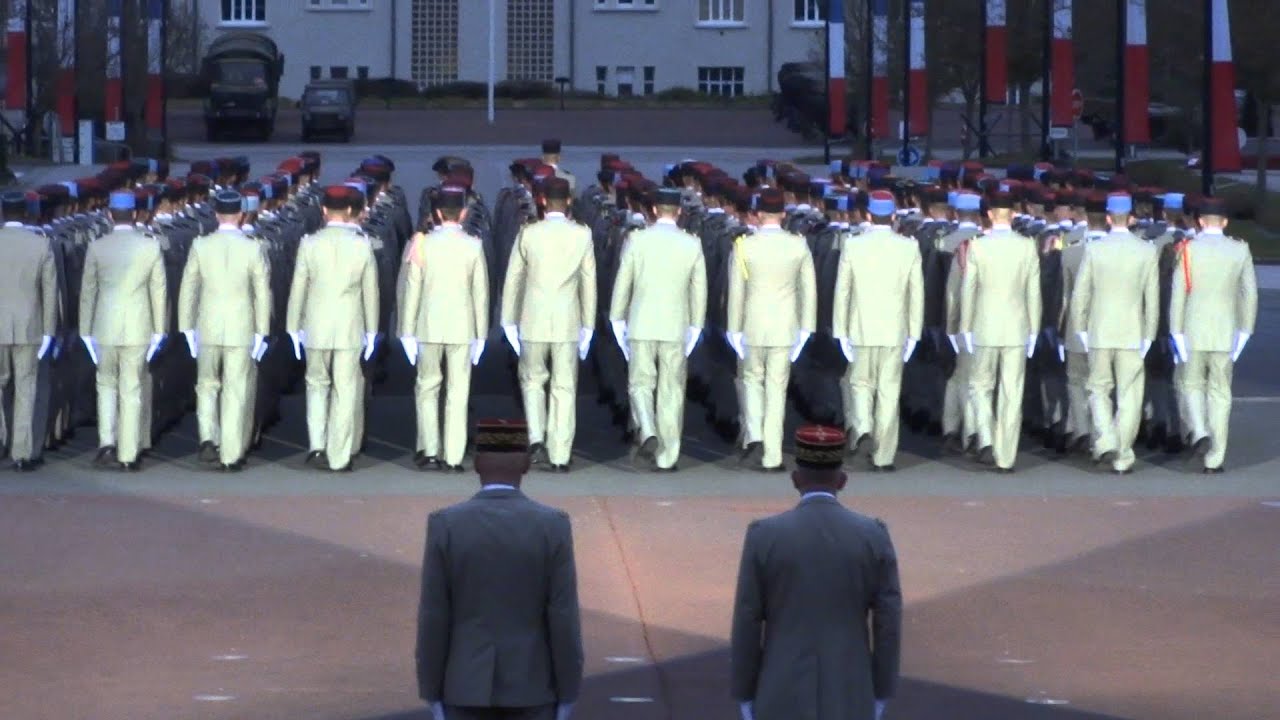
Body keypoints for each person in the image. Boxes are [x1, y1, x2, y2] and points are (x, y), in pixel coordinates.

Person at [730, 425, 902, 720]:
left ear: (796, 479)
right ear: (843, 480)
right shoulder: (873, 535)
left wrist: (745, 692)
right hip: (851, 691)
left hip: (780, 691)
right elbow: (888, 624)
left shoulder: (763, 536)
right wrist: (881, 691)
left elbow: (747, 621)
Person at [416, 419, 583, 720]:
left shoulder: (446, 525)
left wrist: (431, 690)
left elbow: (434, 615)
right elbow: (563, 617)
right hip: (533, 688)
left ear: (477, 464)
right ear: (525, 465)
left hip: (464, 687)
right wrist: (568, 691)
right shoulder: (552, 526)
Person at [501, 177, 596, 472]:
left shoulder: (528, 233)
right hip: (568, 319)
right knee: (565, 386)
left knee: (532, 381)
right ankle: (560, 455)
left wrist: (508, 320)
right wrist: (589, 325)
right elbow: (589, 282)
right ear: (568, 201)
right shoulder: (582, 235)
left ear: (542, 201)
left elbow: (513, 278)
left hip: (533, 317)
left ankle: (536, 438)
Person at [609, 187, 708, 471]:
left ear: (654, 210)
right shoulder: (692, 244)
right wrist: (696, 325)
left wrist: (617, 317)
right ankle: (667, 457)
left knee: (640, 383)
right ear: (678, 212)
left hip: (641, 322)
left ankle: (648, 429)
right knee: (672, 390)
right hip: (675, 325)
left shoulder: (636, 240)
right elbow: (698, 290)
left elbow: (623, 281)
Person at [285, 185, 380, 472]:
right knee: (345, 389)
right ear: (351, 211)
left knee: (316, 385)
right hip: (350, 325)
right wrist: (373, 330)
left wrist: (292, 326)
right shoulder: (362, 244)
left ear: (324, 211)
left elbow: (298, 288)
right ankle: (339, 456)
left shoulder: (309, 243)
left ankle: (317, 446)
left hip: (315, 324)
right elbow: (370, 291)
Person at [177, 190, 271, 472]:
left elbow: (189, 288)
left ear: (217, 215)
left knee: (206, 384)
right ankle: (230, 455)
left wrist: (185, 327)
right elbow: (262, 294)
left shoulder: (200, 246)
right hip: (242, 326)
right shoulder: (253, 247)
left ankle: (208, 437)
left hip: (207, 324)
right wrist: (262, 331)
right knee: (236, 388)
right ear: (241, 215)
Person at [832, 190, 924, 471]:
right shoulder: (909, 247)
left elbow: (842, 291)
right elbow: (916, 293)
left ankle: (862, 428)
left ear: (868, 216)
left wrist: (840, 330)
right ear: (894, 217)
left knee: (860, 384)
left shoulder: (853, 245)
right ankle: (884, 456)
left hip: (860, 327)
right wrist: (914, 333)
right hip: (896, 330)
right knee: (889, 392)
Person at [399, 186, 489, 472]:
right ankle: (453, 455)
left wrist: (406, 330)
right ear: (462, 214)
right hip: (462, 327)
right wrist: (482, 333)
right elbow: (481, 293)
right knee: (458, 391)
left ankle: (429, 450)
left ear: (437, 213)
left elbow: (412, 290)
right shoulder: (474, 245)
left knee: (427, 387)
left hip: (428, 325)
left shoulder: (421, 243)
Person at [726, 188, 817, 471]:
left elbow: (736, 292)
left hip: (752, 324)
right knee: (777, 388)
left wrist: (733, 328)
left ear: (757, 214)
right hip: (785, 326)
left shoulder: (743, 245)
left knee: (752, 381)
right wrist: (806, 329)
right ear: (784, 215)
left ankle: (754, 435)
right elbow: (808, 291)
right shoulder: (798, 245)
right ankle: (773, 456)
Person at [1068, 192, 1159, 474]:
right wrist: (1150, 334)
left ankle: (1106, 439)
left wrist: (1080, 328)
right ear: (1132, 219)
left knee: (1097, 389)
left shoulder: (1095, 249)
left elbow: (1080, 295)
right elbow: (1152, 298)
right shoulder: (1147, 250)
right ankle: (1122, 454)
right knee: (1130, 395)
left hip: (1099, 330)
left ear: (1108, 218)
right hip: (1133, 331)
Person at [78, 190, 167, 471]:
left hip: (104, 325)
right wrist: (159, 329)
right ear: (137, 214)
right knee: (132, 387)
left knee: (105, 384)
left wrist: (84, 329)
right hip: (139, 326)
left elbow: (87, 291)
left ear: (108, 215)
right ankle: (129, 454)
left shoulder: (97, 246)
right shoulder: (149, 246)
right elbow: (159, 291)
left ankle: (107, 443)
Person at [1169, 197, 1258, 473]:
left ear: (1199, 221)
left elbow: (1178, 293)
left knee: (1190, 383)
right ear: (1225, 222)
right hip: (1225, 330)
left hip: (1193, 328)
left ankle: (1198, 430)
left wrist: (1175, 331)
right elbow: (1249, 293)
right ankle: (1215, 457)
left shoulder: (1188, 249)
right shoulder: (1239, 250)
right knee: (1220, 393)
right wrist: (1245, 330)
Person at [958, 191, 1042, 473]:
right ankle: (1006, 456)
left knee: (980, 387)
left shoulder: (978, 247)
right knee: (1012, 392)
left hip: (985, 326)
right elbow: (1033, 292)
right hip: (1017, 328)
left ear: (990, 215)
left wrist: (966, 326)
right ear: (1013, 214)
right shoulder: (1027, 246)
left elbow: (968, 290)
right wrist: (1034, 328)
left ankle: (988, 437)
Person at [0, 192, 59, 471]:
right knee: (26, 388)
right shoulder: (40, 245)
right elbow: (50, 292)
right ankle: (22, 452)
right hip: (29, 325)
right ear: (25, 214)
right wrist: (49, 330)